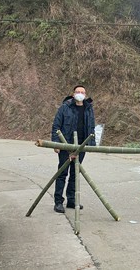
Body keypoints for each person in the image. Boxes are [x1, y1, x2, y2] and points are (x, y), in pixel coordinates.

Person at [51, 84, 96, 213]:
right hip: (66, 144)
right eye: (78, 91)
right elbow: (56, 125)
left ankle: (71, 200)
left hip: (81, 145)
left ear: (85, 94)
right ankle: (58, 201)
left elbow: (91, 127)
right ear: (73, 93)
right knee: (62, 174)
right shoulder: (65, 107)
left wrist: (91, 145)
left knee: (75, 174)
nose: (80, 94)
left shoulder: (88, 109)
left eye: (82, 92)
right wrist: (56, 144)